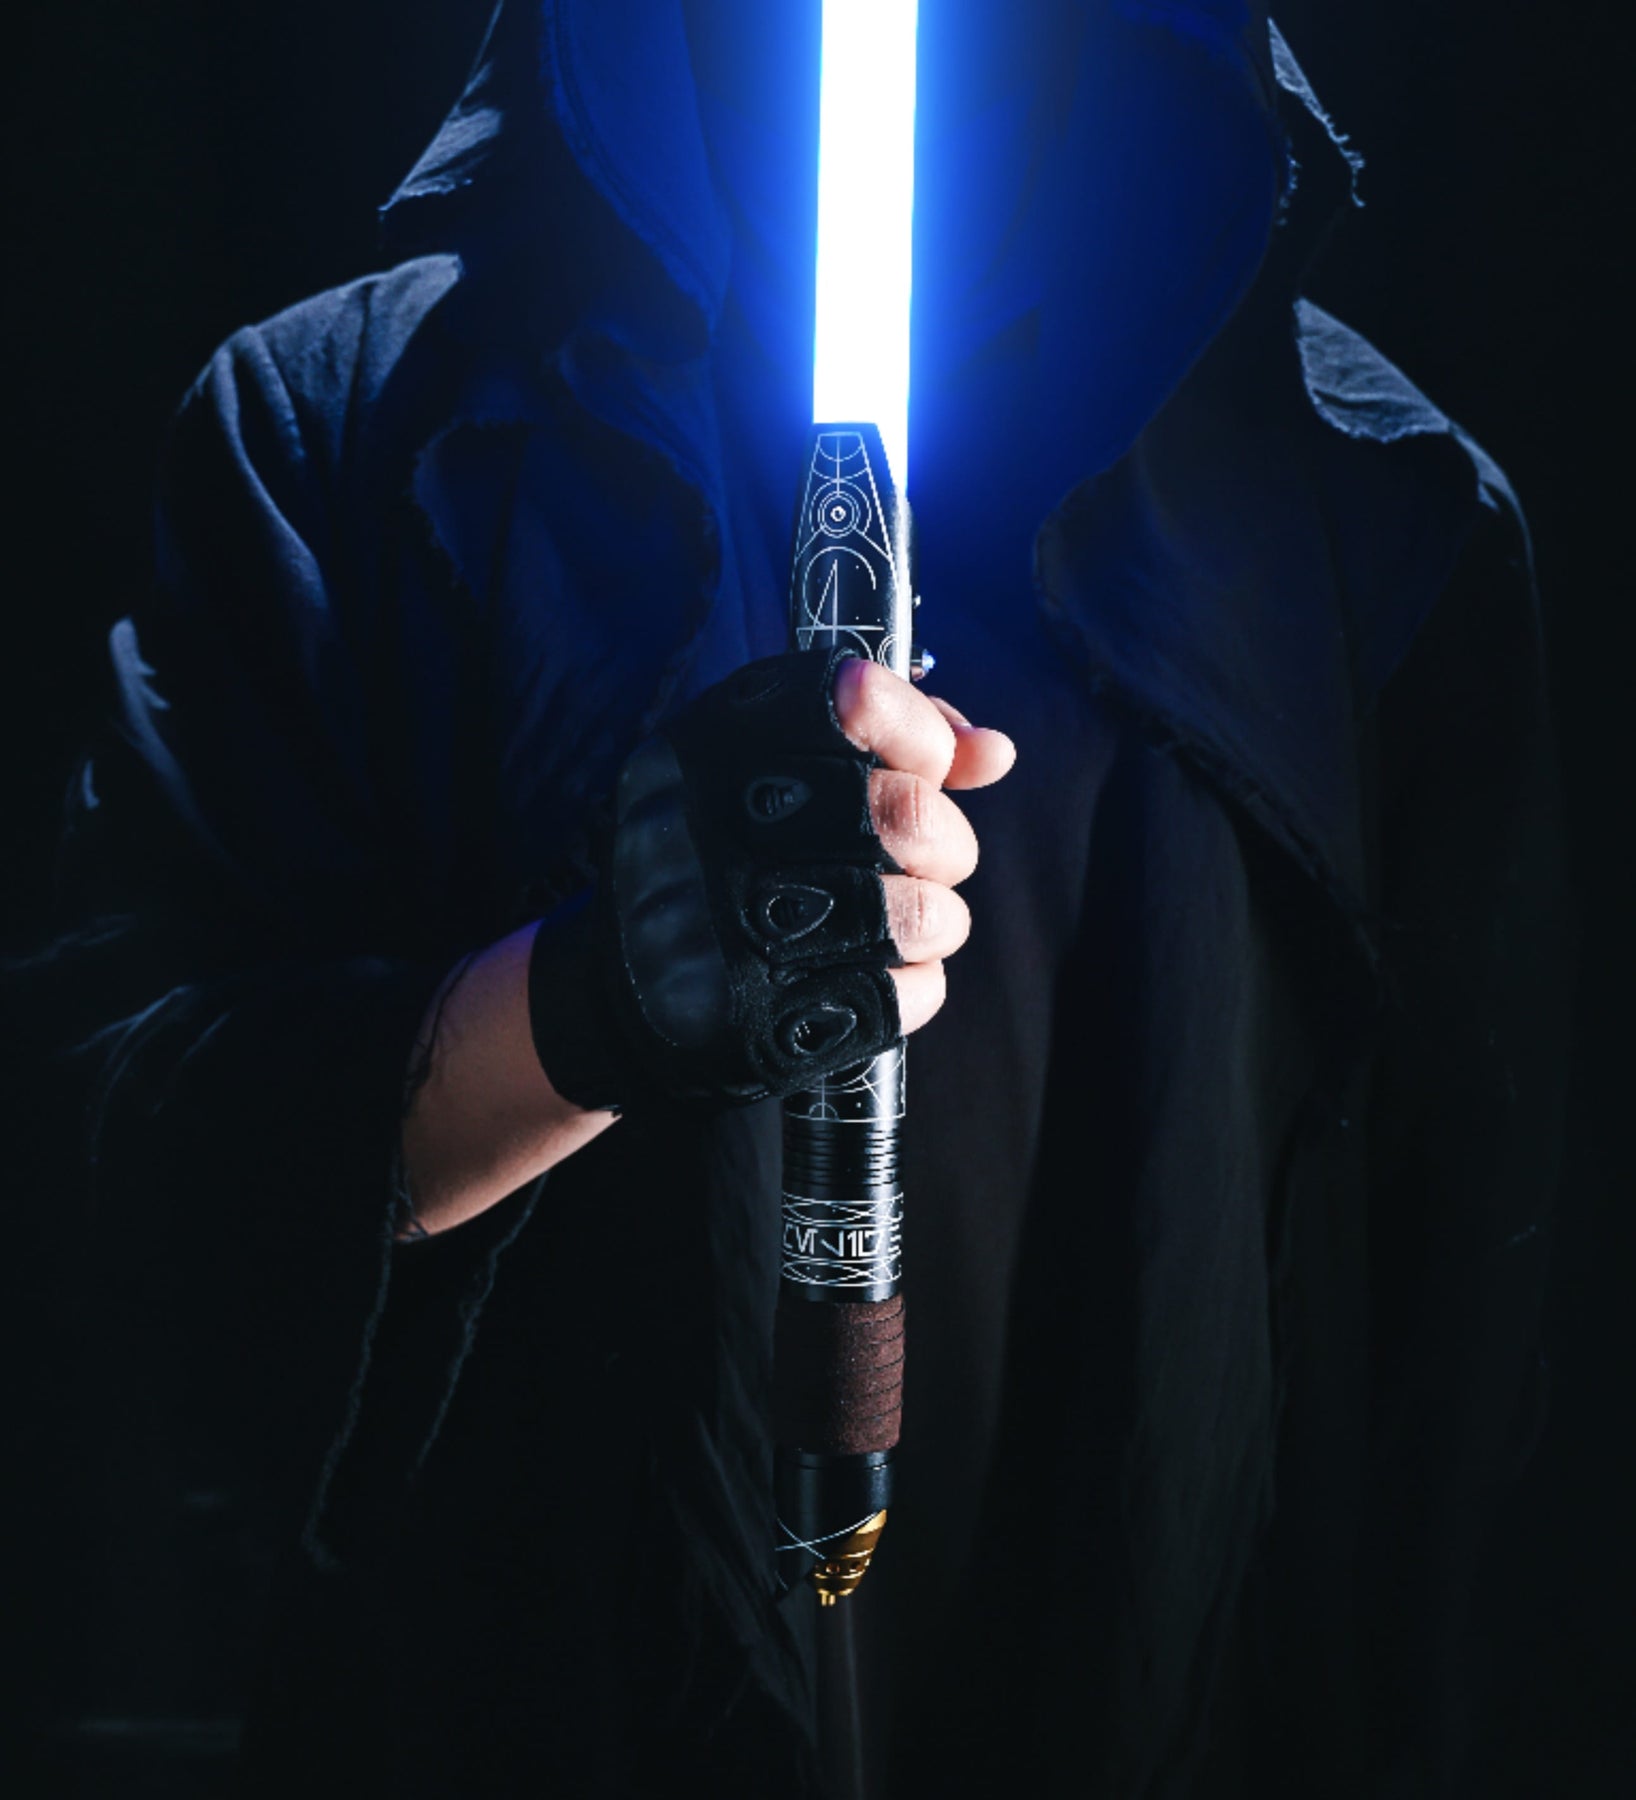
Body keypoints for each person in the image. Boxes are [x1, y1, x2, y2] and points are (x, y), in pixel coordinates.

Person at [37, 1, 1568, 1793]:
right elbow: (106, 1194)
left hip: (1138, 1695)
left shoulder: (1376, 510)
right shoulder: (343, 424)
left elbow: (1472, 1383)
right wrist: (575, 1007)